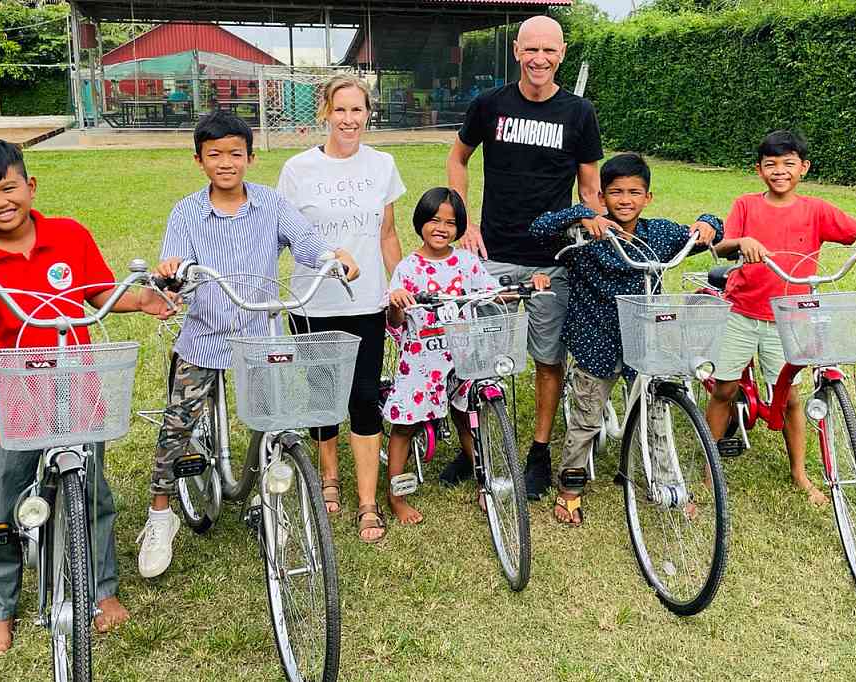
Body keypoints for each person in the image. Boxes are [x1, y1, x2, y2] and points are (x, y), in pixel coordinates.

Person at [0, 139, 172, 656]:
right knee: (0, 509)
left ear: (30, 186)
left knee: (91, 496)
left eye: (8, 187)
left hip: (75, 390)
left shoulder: (69, 236)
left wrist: (145, 299)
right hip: (7, 405)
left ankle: (102, 590)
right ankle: (0, 611)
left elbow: (100, 293)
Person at [137, 111, 359, 576]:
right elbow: (173, 265)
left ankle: (270, 502)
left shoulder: (271, 204)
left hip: (260, 333)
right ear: (198, 160)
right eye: (214, 154)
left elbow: (308, 243)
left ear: (251, 158)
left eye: (235, 153)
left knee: (278, 418)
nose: (225, 162)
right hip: (204, 336)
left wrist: (332, 258)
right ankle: (161, 513)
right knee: (178, 423)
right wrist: (171, 271)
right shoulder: (187, 211)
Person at [446, 15, 616, 500]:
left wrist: (599, 225)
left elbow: (588, 185)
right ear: (517, 51)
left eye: (549, 50)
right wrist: (465, 222)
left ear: (562, 53)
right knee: (478, 359)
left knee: (547, 359)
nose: (539, 59)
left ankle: (539, 452)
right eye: (530, 49)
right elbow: (457, 158)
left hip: (552, 258)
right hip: (494, 253)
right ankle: (472, 446)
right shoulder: (490, 105)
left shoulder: (579, 112)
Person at [530, 153, 722, 524]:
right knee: (586, 418)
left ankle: (668, 484)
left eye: (635, 192)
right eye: (615, 192)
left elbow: (703, 234)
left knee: (656, 412)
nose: (625, 200)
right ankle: (570, 486)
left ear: (648, 197)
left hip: (645, 338)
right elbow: (540, 228)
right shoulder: (585, 231)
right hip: (595, 339)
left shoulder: (659, 234)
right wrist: (581, 215)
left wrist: (708, 224)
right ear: (601, 196)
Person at [706, 130, 856, 506]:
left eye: (789, 164)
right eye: (771, 164)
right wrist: (741, 242)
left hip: (787, 318)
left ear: (803, 168)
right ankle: (710, 472)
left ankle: (799, 473)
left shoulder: (816, 210)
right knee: (723, 389)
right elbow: (721, 245)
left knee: (790, 398)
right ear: (759, 170)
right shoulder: (746, 205)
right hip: (741, 311)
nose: (779, 171)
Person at [277, 75, 405, 543]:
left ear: (368, 113)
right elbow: (287, 237)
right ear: (325, 113)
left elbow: (386, 233)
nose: (349, 120)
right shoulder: (297, 170)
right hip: (313, 301)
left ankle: (368, 500)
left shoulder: (383, 165)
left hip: (367, 299)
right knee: (322, 396)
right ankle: (329, 476)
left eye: (358, 110)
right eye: (341, 110)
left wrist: (397, 285)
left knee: (364, 395)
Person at [385, 188, 548, 524]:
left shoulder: (467, 263)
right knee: (405, 426)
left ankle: (485, 482)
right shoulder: (408, 268)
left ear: (459, 228)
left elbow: (494, 294)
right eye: (434, 220)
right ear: (420, 223)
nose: (441, 228)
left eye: (450, 222)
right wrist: (397, 302)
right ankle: (396, 495)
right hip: (421, 361)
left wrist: (528, 284)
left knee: (469, 418)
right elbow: (394, 321)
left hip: (463, 354)